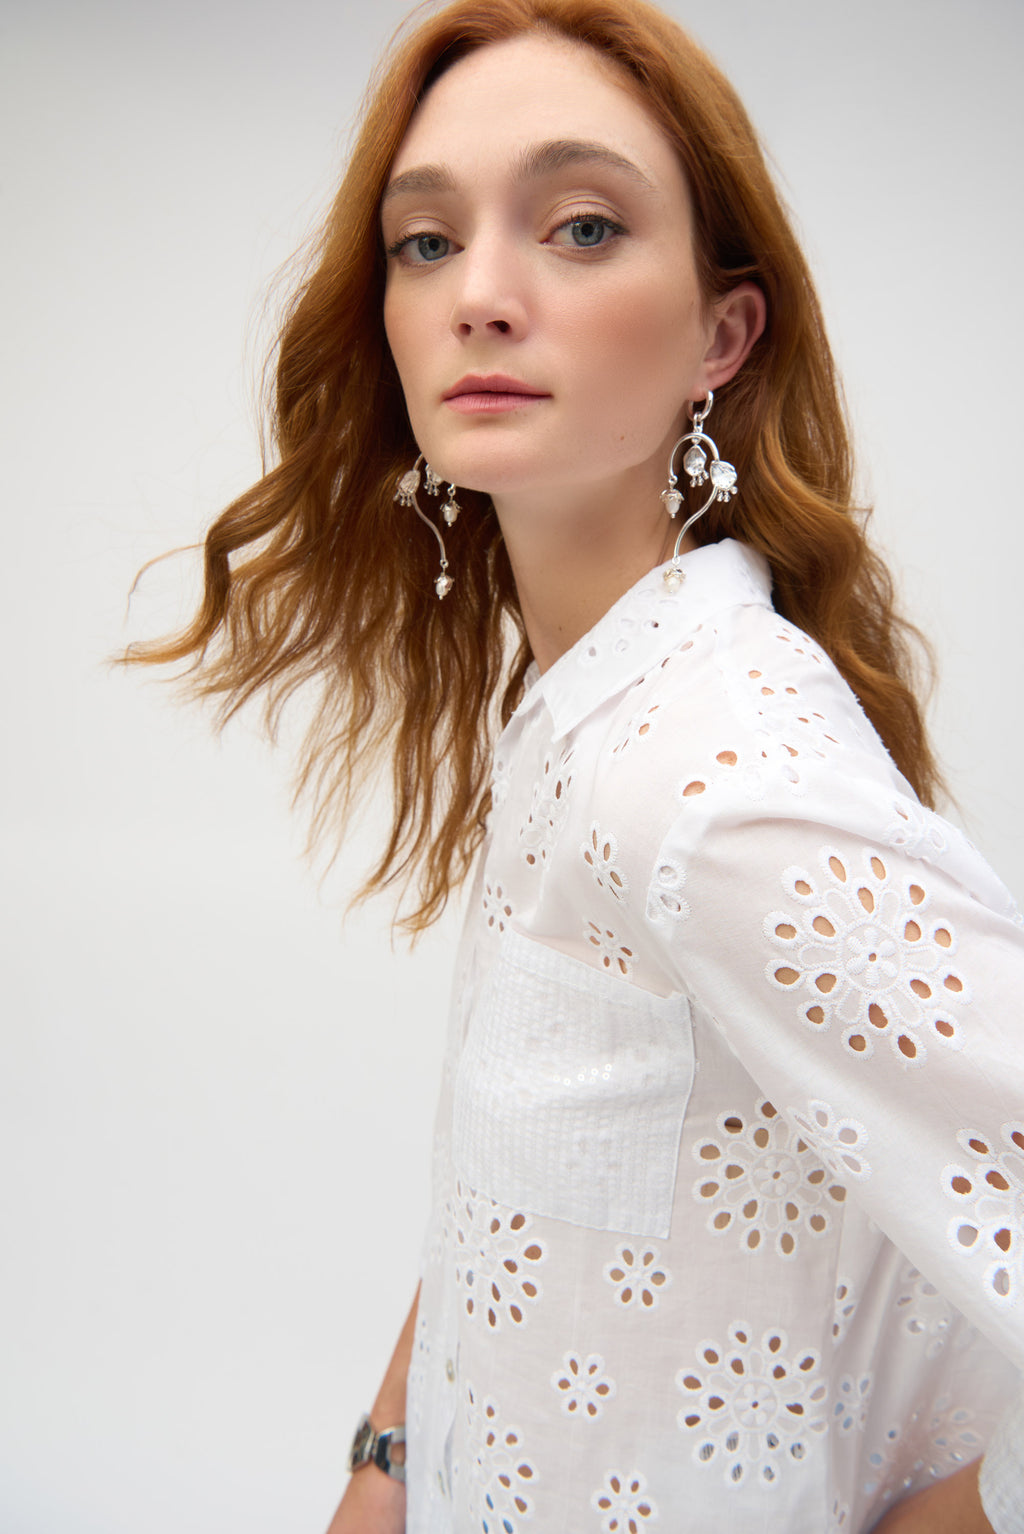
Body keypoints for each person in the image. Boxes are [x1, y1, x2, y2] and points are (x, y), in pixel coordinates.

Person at [129, 0, 1024, 1528]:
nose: (479, 295)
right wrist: (387, 1458)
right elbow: (523, 1186)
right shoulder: (588, 704)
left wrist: (942, 1486)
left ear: (721, 335)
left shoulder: (708, 774)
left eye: (583, 226)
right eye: (425, 242)